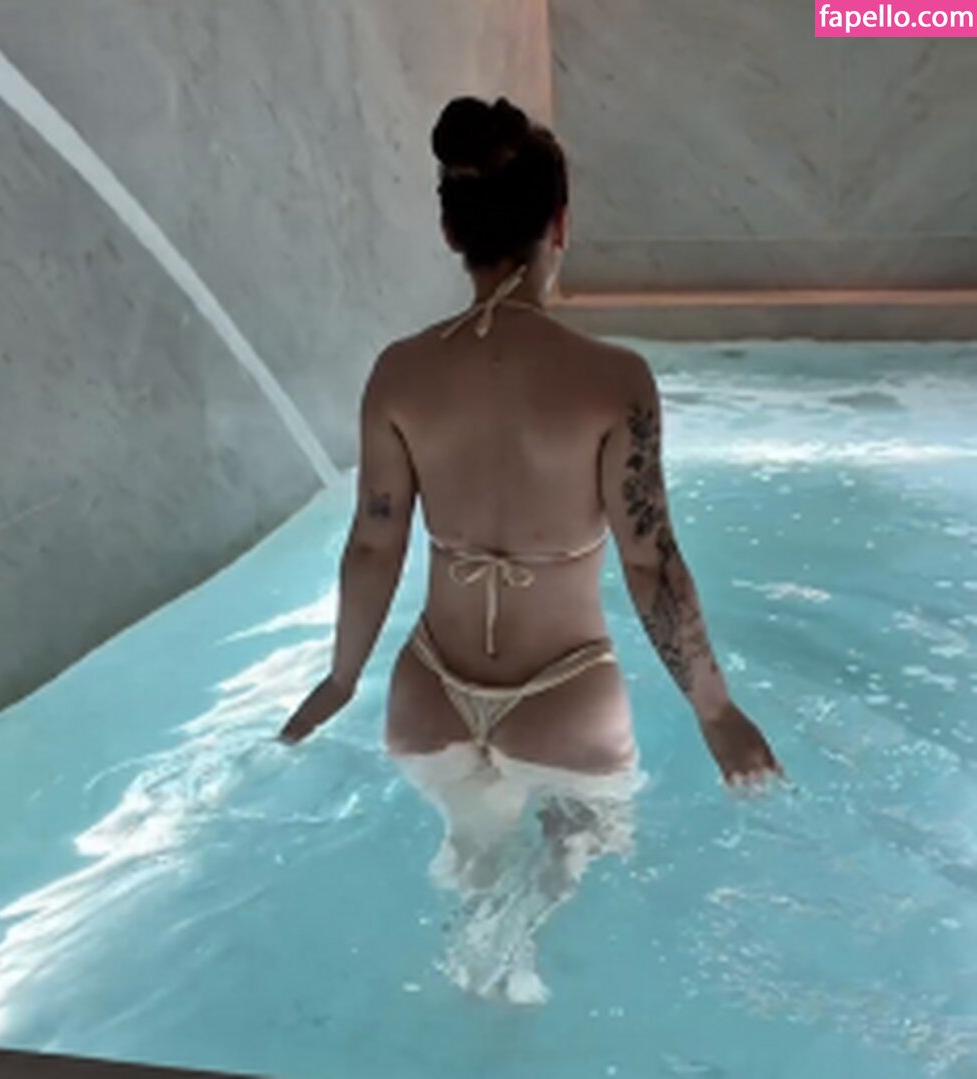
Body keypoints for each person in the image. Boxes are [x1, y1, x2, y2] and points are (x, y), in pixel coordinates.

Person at [277, 96, 783, 1000]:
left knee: (471, 856)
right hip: (565, 698)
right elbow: (650, 562)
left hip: (427, 694)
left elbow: (374, 542)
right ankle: (520, 956)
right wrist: (715, 710)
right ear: (560, 225)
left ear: (450, 230)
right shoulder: (613, 380)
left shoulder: (399, 371)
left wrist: (341, 678)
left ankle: (477, 957)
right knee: (573, 862)